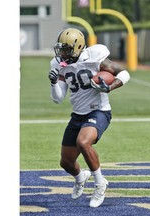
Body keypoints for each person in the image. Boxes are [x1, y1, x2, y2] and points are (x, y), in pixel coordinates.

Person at [48, 28, 130, 208]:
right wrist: (54, 83)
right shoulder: (59, 64)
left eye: (66, 49)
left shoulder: (94, 57)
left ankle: (100, 183)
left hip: (98, 111)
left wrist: (110, 87)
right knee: (66, 163)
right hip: (78, 114)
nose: (62, 53)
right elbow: (57, 98)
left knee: (83, 142)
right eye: (61, 49)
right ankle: (80, 177)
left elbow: (124, 73)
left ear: (78, 48)